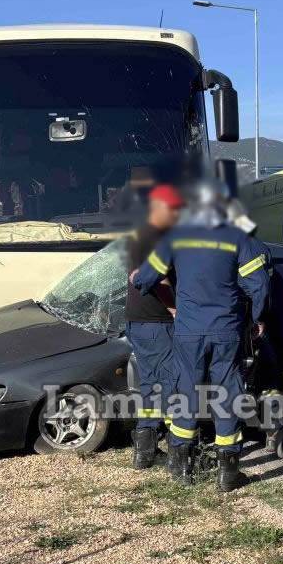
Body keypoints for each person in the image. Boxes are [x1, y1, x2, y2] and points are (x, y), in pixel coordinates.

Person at [131, 180, 270, 492]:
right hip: (226, 329)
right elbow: (259, 284)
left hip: (189, 331)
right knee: (227, 392)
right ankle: (228, 473)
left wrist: (140, 280)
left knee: (186, 391)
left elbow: (148, 276)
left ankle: (180, 466)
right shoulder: (237, 238)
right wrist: (258, 317)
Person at [125, 184, 184, 470]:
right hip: (156, 321)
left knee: (150, 384)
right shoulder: (153, 238)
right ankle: (178, 450)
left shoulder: (138, 235)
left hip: (140, 320)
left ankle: (145, 451)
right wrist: (174, 308)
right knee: (170, 382)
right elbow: (157, 280)